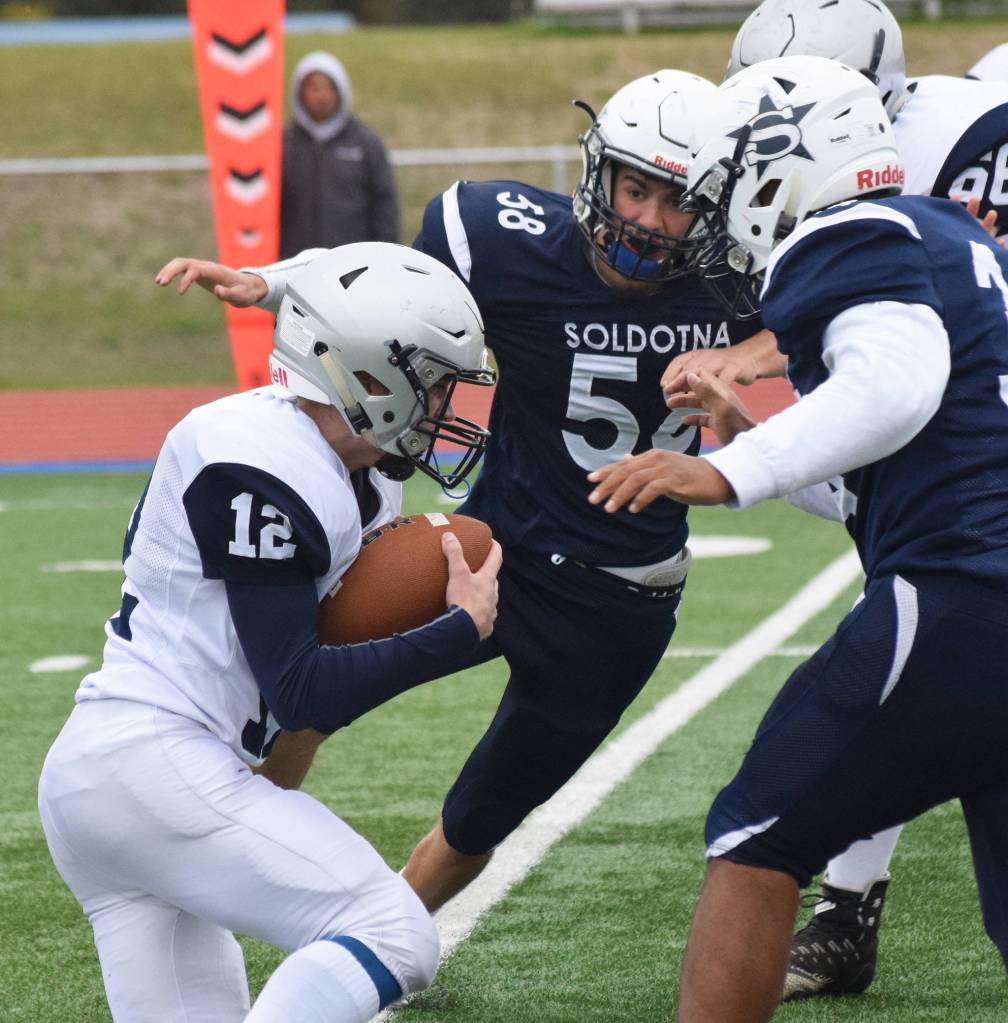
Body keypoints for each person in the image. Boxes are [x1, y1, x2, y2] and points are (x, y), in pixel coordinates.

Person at [156, 69, 770, 916]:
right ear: (601, 174)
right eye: (636, 189)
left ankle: (378, 950)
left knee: (475, 821)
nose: (651, 223)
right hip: (492, 544)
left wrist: (743, 373)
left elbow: (817, 333)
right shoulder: (503, 235)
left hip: (619, 605)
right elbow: (386, 278)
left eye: (677, 204)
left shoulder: (735, 283)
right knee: (307, 692)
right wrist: (272, 279)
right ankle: (222, 850)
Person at [588, 55, 1008, 1022]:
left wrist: (725, 470)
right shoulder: (942, 231)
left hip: (964, 596)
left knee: (754, 834)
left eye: (727, 176)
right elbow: (891, 465)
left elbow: (896, 387)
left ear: (783, 166)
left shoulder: (850, 234)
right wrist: (750, 432)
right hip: (983, 586)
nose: (715, 206)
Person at [38, 242, 502, 1023]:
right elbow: (300, 686)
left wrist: (272, 282)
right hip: (156, 761)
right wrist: (457, 636)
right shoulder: (259, 459)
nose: (443, 404)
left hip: (126, 778)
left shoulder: (352, 465)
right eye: (432, 382)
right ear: (373, 379)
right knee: (393, 933)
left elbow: (347, 270)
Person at [280, 52, 400, 258]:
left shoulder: (365, 141)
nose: (322, 96)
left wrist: (384, 256)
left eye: (329, 88)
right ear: (300, 92)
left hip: (352, 265)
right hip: (292, 265)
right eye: (314, 88)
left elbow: (384, 205)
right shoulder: (282, 143)